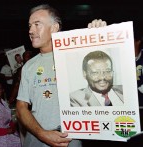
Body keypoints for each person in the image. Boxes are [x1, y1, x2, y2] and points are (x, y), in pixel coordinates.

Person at [16, 4, 106, 147]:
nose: (31, 30)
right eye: (30, 26)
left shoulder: (76, 57)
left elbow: (104, 67)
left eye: (37, 24)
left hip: (70, 139)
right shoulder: (29, 66)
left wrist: (99, 35)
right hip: (35, 139)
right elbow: (21, 107)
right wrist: (42, 134)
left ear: (55, 28)